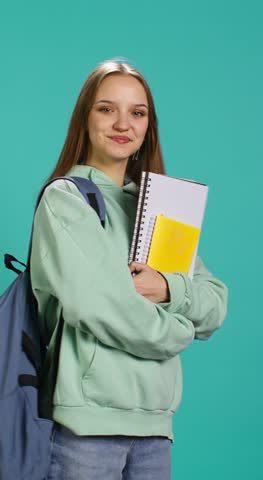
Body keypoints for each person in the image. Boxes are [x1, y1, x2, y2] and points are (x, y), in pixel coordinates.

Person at [30, 59, 228, 480]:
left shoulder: (159, 207)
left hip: (156, 429)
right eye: (106, 109)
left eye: (137, 112)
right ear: (84, 118)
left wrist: (169, 288)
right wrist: (181, 331)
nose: (123, 123)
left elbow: (215, 302)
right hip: (86, 431)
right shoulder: (66, 200)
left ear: (147, 126)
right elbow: (98, 306)